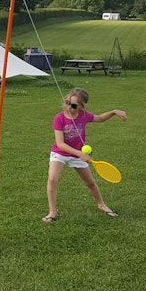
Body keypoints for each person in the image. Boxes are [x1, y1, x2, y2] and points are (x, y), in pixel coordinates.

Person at [43, 87, 127, 223]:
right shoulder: (59, 118)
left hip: (78, 156)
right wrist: (79, 153)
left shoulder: (83, 116)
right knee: (52, 179)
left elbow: (99, 118)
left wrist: (113, 112)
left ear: (82, 107)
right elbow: (60, 144)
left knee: (90, 183)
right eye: (66, 102)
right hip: (60, 154)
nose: (68, 107)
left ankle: (101, 204)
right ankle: (52, 212)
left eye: (74, 105)